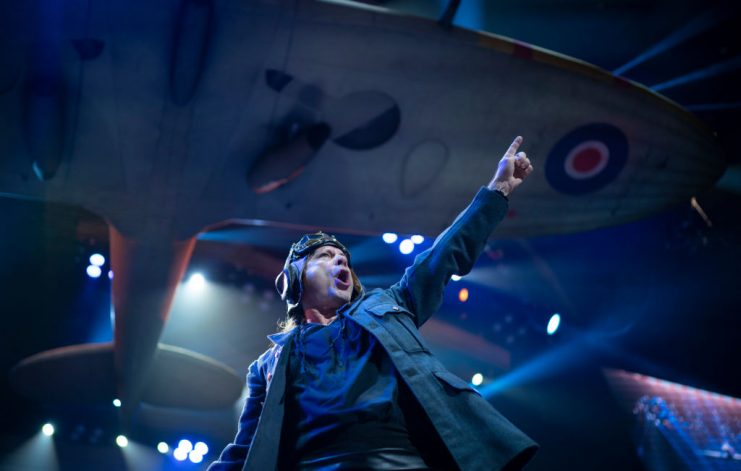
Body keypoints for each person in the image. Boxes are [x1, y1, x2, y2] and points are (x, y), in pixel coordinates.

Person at [210, 136, 538, 470]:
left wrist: (497, 191)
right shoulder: (267, 366)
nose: (342, 263)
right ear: (293, 280)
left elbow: (442, 257)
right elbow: (244, 451)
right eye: (326, 256)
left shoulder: (388, 308)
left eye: (344, 260)